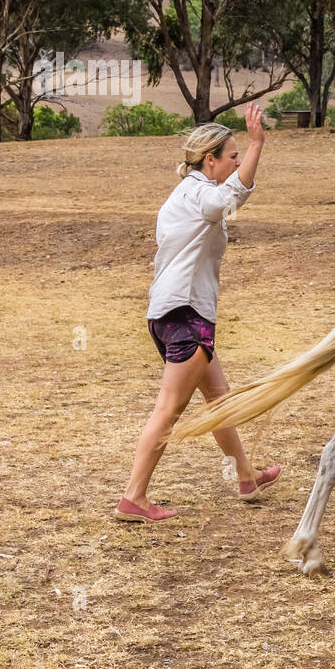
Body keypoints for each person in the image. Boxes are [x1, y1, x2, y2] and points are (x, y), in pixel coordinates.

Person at [115, 103, 280, 522]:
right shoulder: (199, 194)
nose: (237, 161)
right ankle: (134, 497)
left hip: (173, 313)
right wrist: (259, 144)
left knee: (218, 399)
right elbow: (230, 197)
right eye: (233, 155)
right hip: (185, 316)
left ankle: (246, 475)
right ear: (211, 160)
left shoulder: (184, 194)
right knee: (169, 409)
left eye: (241, 153)